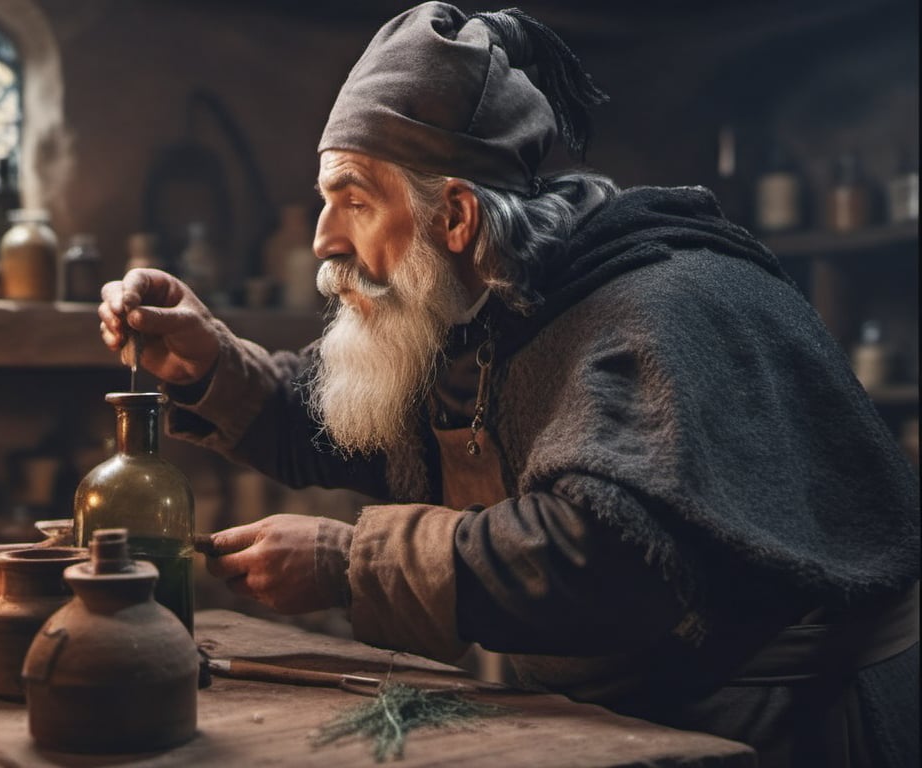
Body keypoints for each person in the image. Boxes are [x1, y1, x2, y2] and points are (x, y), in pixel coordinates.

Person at [99, 4, 919, 765]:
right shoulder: (481, 305)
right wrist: (206, 360)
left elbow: (604, 557)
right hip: (625, 711)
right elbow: (349, 424)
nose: (323, 240)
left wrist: (349, 562)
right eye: (325, 202)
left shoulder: (659, 309)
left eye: (353, 200)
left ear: (454, 217)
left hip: (783, 722)